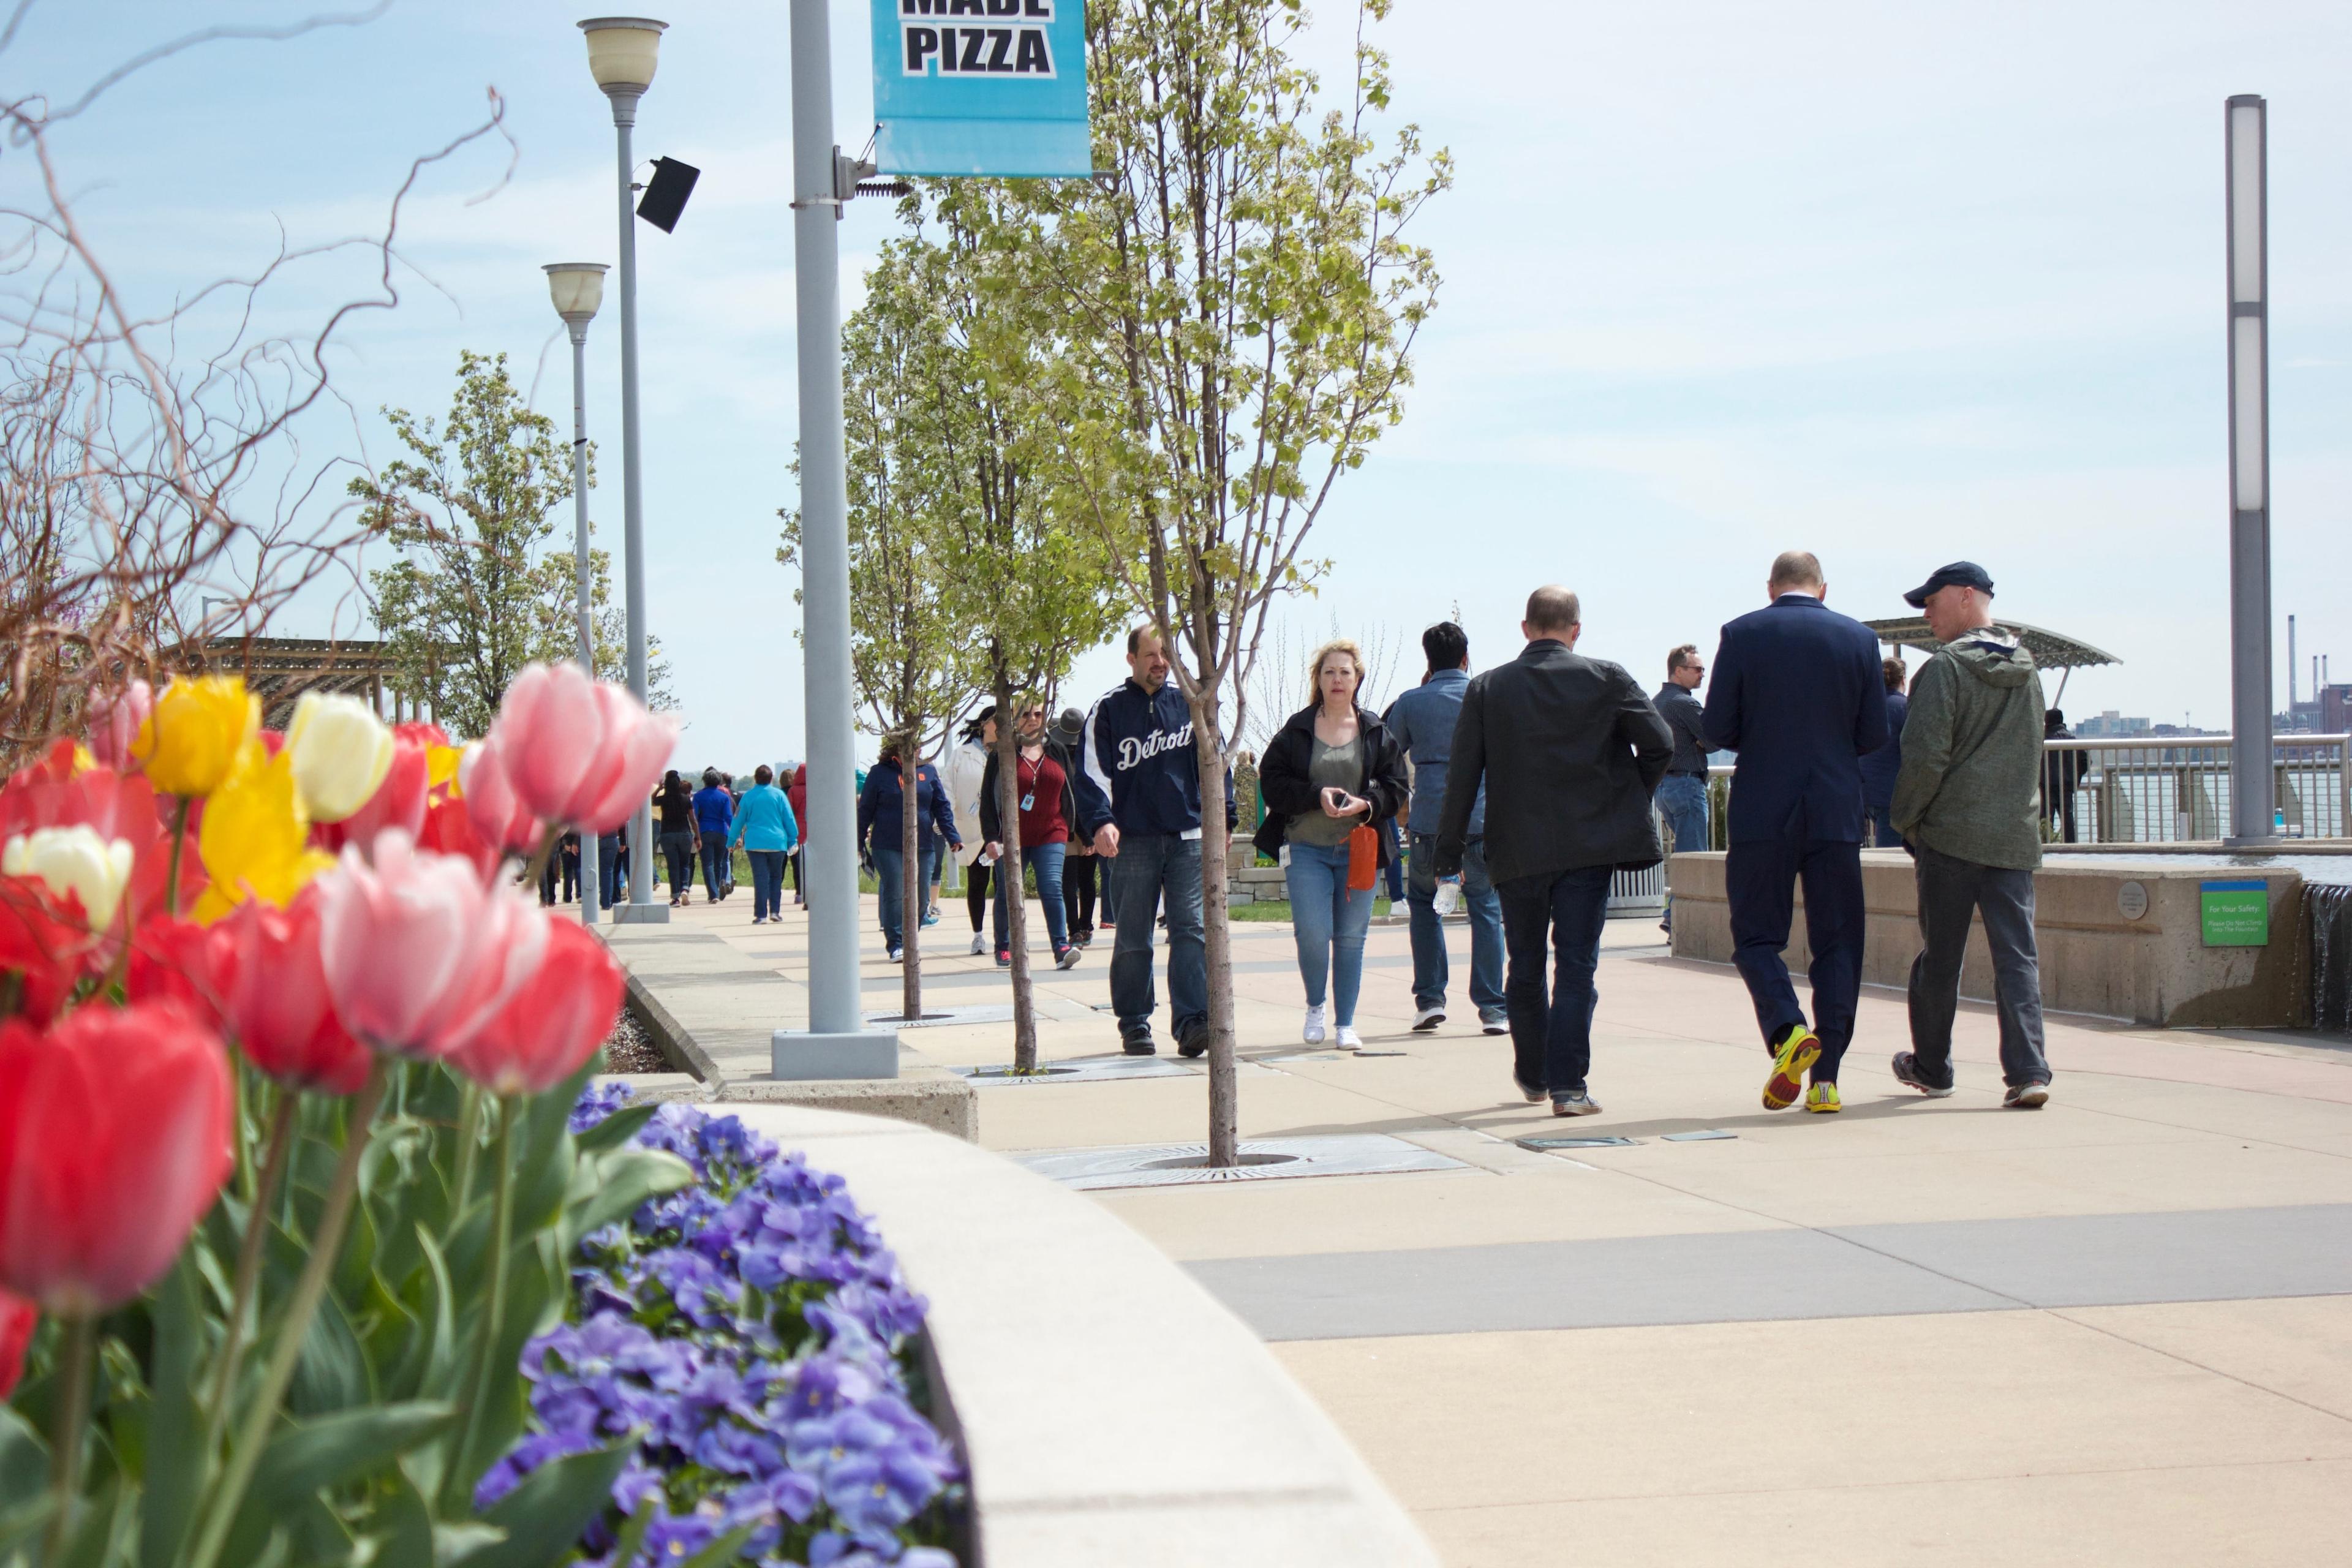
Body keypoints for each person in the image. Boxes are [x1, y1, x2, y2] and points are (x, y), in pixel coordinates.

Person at [1436, 587, 1671, 1115]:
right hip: (1589, 845)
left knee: (1525, 964)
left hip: (1516, 847)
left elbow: (1463, 777)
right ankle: (1569, 1087)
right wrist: (1631, 793)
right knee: (1577, 967)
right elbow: (1660, 741)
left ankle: (1532, 1072)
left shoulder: (1488, 688)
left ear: (1525, 628)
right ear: (1576, 629)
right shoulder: (1608, 677)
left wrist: (1447, 855)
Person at [1701, 549, 1888, 1115]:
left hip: (1764, 807)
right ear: (1823, 589)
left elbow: (1714, 729)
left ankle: (1788, 1033)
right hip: (1834, 809)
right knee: (1838, 943)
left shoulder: (1741, 634)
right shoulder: (1859, 640)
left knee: (1757, 938)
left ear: (1771, 588)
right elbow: (1874, 732)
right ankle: (1826, 1080)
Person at [1888, 562, 2053, 1109]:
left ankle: (1932, 1068)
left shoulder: (1943, 670)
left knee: (1941, 959)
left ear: (1966, 597)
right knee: (2017, 958)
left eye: (1931, 602)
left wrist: (1907, 820)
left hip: (1952, 837)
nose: (1926, 614)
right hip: (2012, 837)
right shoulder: (2028, 670)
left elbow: (1925, 756)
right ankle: (2028, 1072)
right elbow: (2030, 754)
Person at [1071, 626, 1232, 1057]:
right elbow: (1090, 773)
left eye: (1166, 655)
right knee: (1133, 937)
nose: (1160, 662)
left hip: (1187, 836)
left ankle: (1193, 1022)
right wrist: (1101, 821)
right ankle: (1135, 1023)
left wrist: (1226, 818)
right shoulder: (1108, 710)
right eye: (1151, 655)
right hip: (1133, 841)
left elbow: (1217, 764)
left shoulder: (1190, 705)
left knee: (1191, 932)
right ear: (1131, 659)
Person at [1254, 640, 1411, 1049]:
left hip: (1359, 848)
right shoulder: (1298, 729)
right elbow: (1271, 779)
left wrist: (1368, 803)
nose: (1338, 679)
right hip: (1306, 846)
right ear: (1318, 681)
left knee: (1351, 937)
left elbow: (1397, 787)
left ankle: (1345, 1023)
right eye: (1329, 673)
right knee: (1312, 931)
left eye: (1345, 672)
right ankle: (1315, 1007)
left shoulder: (1376, 731)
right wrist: (1314, 796)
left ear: (1357, 679)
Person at [1385, 620, 1507, 1036]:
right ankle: (1493, 1009)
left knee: (1424, 906)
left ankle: (1430, 1001)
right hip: (1480, 819)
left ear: (1428, 659)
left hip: (1428, 823)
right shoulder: (1487, 697)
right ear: (1465, 656)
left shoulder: (1410, 702)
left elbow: (1387, 755)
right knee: (1486, 910)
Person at [979, 701, 1086, 972]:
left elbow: (1073, 793)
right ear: (1015, 718)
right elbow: (988, 802)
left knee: (1051, 887)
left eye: (1038, 714)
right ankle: (1004, 946)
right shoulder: (1002, 754)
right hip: (1012, 836)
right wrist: (992, 837)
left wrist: (1086, 834)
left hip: (1052, 831)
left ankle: (1061, 948)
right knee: (1007, 891)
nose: (1033, 719)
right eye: (1026, 714)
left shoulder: (1057, 750)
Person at [858, 736, 961, 963]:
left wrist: (952, 836)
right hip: (888, 845)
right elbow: (865, 809)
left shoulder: (928, 771)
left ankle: (910, 939)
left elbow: (941, 806)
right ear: (896, 745)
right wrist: (858, 843)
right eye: (912, 744)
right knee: (895, 892)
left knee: (923, 896)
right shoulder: (879, 773)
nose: (918, 749)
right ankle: (896, 944)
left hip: (924, 843)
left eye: (918, 744)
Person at [1652, 643, 1712, 937]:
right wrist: (1701, 741)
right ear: (1679, 671)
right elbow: (1713, 740)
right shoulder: (1685, 704)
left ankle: (1673, 914)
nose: (1703, 674)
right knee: (1694, 857)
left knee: (1685, 855)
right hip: (1687, 784)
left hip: (1664, 786)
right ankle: (1681, 921)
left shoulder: (1658, 701)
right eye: (1697, 669)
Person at [946, 708, 997, 956]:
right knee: (977, 883)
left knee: (1005, 884)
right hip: (973, 830)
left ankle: (1006, 936)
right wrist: (948, 829)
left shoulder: (1012, 752)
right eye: (997, 721)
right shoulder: (961, 755)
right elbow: (946, 793)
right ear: (985, 724)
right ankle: (978, 935)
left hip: (1002, 830)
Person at [728, 764, 800, 924]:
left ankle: (761, 915)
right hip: (777, 843)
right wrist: (792, 839)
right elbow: (789, 819)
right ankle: (775, 911)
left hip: (755, 843)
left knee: (760, 878)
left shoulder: (748, 796)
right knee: (776, 877)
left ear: (755, 779)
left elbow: (738, 820)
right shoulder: (779, 795)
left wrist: (731, 841)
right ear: (771, 779)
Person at [1052, 708, 1099, 944]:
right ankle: (1083, 926)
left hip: (1072, 826)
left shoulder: (1056, 757)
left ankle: (1077, 930)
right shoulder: (1089, 757)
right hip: (1079, 825)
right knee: (1083, 880)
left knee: (1071, 883)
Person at [1856, 657, 1910, 849]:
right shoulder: (1906, 707)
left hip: (1864, 792)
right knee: (1891, 854)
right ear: (1904, 679)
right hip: (1892, 794)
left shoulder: (1864, 707)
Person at [2042, 708, 2087, 844]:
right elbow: (2085, 762)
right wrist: (2074, 778)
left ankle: (2045, 846)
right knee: (2068, 821)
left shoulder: (2042, 740)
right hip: (2066, 786)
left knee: (2045, 821)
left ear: (2046, 721)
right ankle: (2070, 848)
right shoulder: (2071, 739)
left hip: (2045, 786)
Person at [655, 769, 698, 907]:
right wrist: (698, 837)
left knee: (673, 866)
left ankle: (675, 898)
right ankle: (685, 889)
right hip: (684, 834)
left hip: (667, 834)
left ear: (666, 785)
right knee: (685, 864)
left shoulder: (664, 799)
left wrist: (659, 789)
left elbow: (651, 801)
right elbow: (693, 819)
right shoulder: (685, 799)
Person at [693, 768, 734, 903]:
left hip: (704, 832)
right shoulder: (724, 797)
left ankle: (713, 893)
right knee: (719, 864)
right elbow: (728, 817)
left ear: (704, 781)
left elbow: (694, 817)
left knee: (708, 864)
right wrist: (736, 834)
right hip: (722, 832)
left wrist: (696, 835)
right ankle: (716, 888)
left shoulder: (699, 796)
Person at [786, 763, 809, 906]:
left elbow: (789, 813)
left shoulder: (793, 791)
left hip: (797, 831)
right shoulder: (817, 789)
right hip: (814, 830)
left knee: (797, 865)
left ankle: (799, 893)